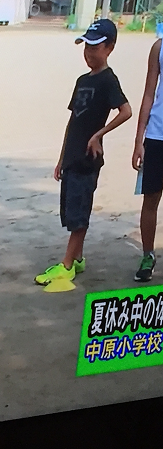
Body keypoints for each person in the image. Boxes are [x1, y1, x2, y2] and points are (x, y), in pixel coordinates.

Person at [35, 19, 132, 285]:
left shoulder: (108, 80)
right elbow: (73, 120)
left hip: (88, 159)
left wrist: (99, 135)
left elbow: (126, 111)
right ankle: (77, 258)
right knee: (71, 210)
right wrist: (61, 158)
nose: (89, 53)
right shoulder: (82, 81)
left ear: (110, 48)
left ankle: (67, 265)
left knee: (79, 213)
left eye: (95, 47)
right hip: (72, 156)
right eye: (86, 47)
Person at [132, 35, 163, 281]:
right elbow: (149, 94)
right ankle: (147, 255)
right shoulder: (159, 48)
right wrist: (139, 139)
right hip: (156, 135)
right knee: (150, 199)